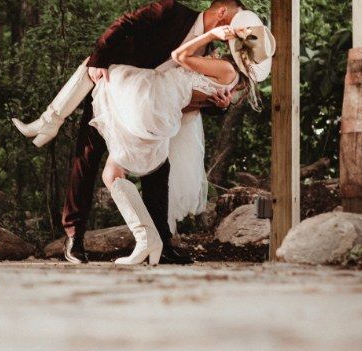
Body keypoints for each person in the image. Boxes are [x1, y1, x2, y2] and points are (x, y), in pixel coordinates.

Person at [13, 0, 245, 265]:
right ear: (222, 13)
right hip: (116, 90)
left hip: (150, 113)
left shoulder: (206, 52)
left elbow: (192, 97)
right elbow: (125, 24)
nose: (237, 28)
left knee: (159, 170)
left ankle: (161, 243)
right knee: (88, 158)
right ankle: (74, 236)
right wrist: (99, 60)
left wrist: (221, 105)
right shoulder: (172, 12)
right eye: (236, 18)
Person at [95, 13, 275, 266]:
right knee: (113, 173)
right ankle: (150, 241)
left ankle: (147, 239)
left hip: (148, 102)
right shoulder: (229, 79)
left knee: (102, 73)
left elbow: (179, 56)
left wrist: (210, 34)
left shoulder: (224, 69)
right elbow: (185, 102)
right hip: (158, 113)